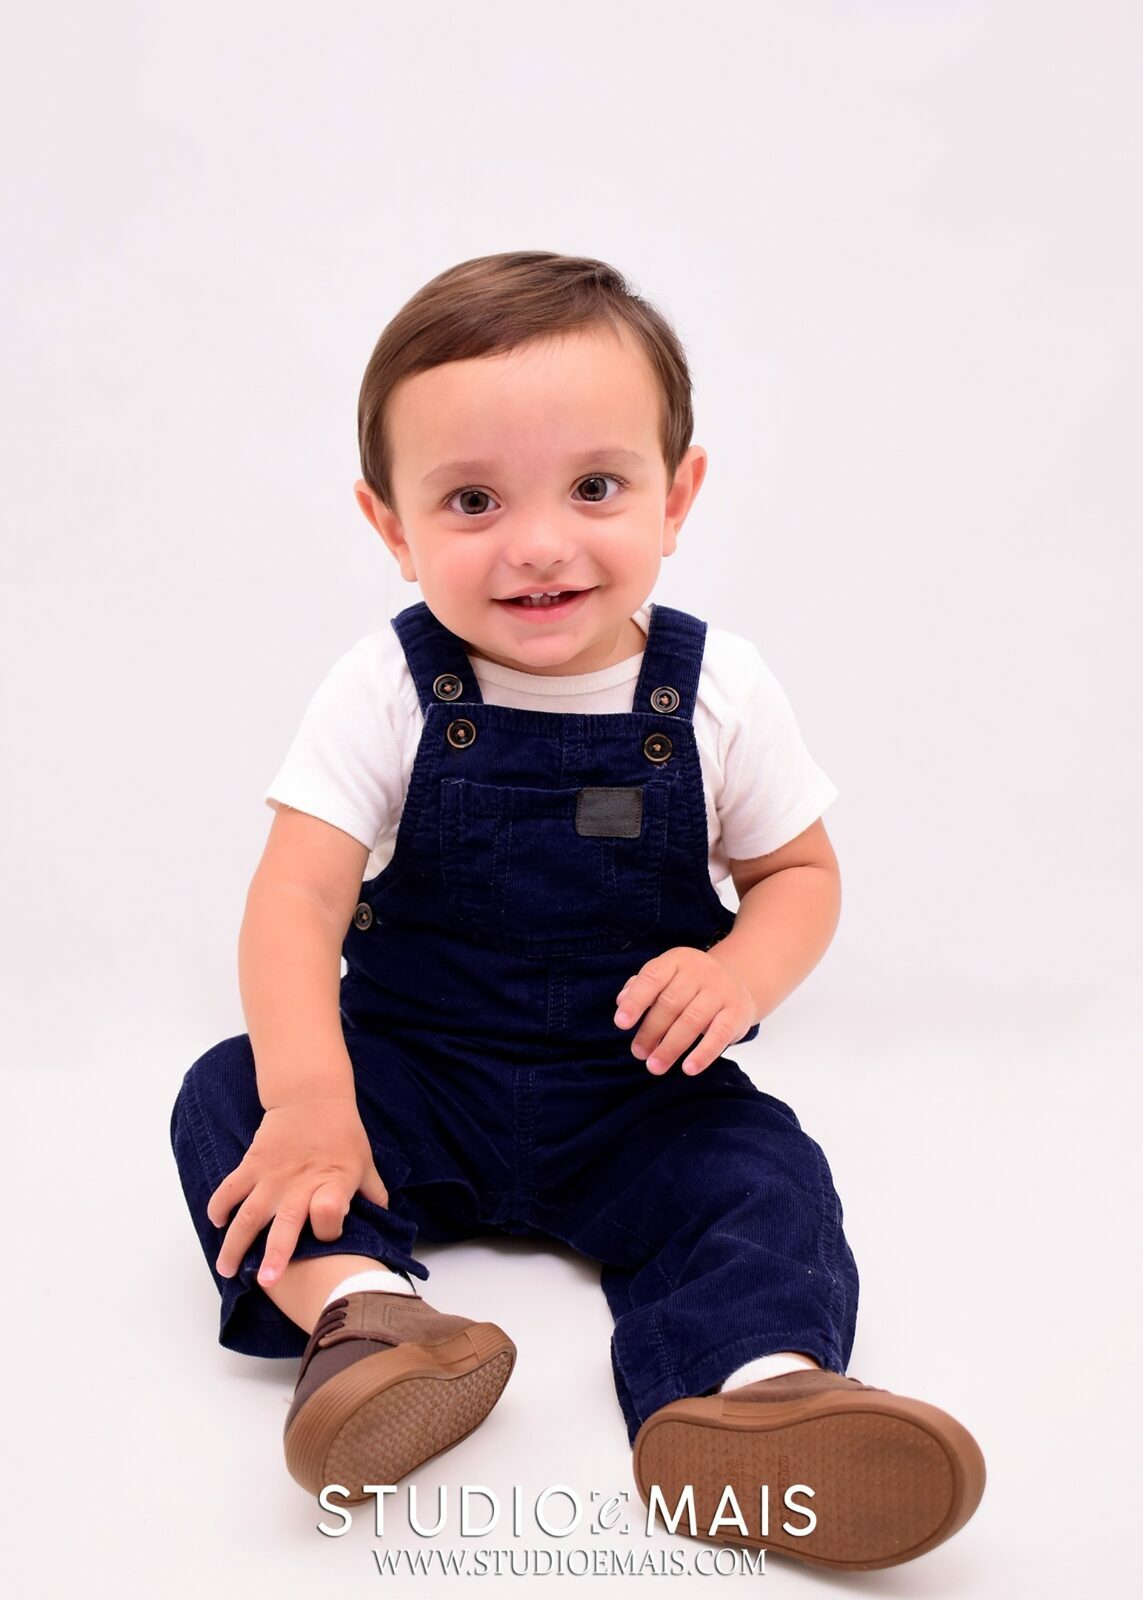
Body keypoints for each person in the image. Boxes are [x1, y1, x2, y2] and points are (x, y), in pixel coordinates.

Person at [170, 251, 985, 1571]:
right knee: (228, 1091)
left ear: (679, 496)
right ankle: (367, 1320)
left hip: (636, 1096)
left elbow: (800, 874)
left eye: (595, 488)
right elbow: (296, 895)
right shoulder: (387, 687)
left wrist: (742, 974)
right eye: (473, 500)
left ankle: (756, 1389)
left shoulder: (717, 692)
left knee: (763, 1172)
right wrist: (313, 1096)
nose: (540, 544)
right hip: (416, 1082)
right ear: (392, 526)